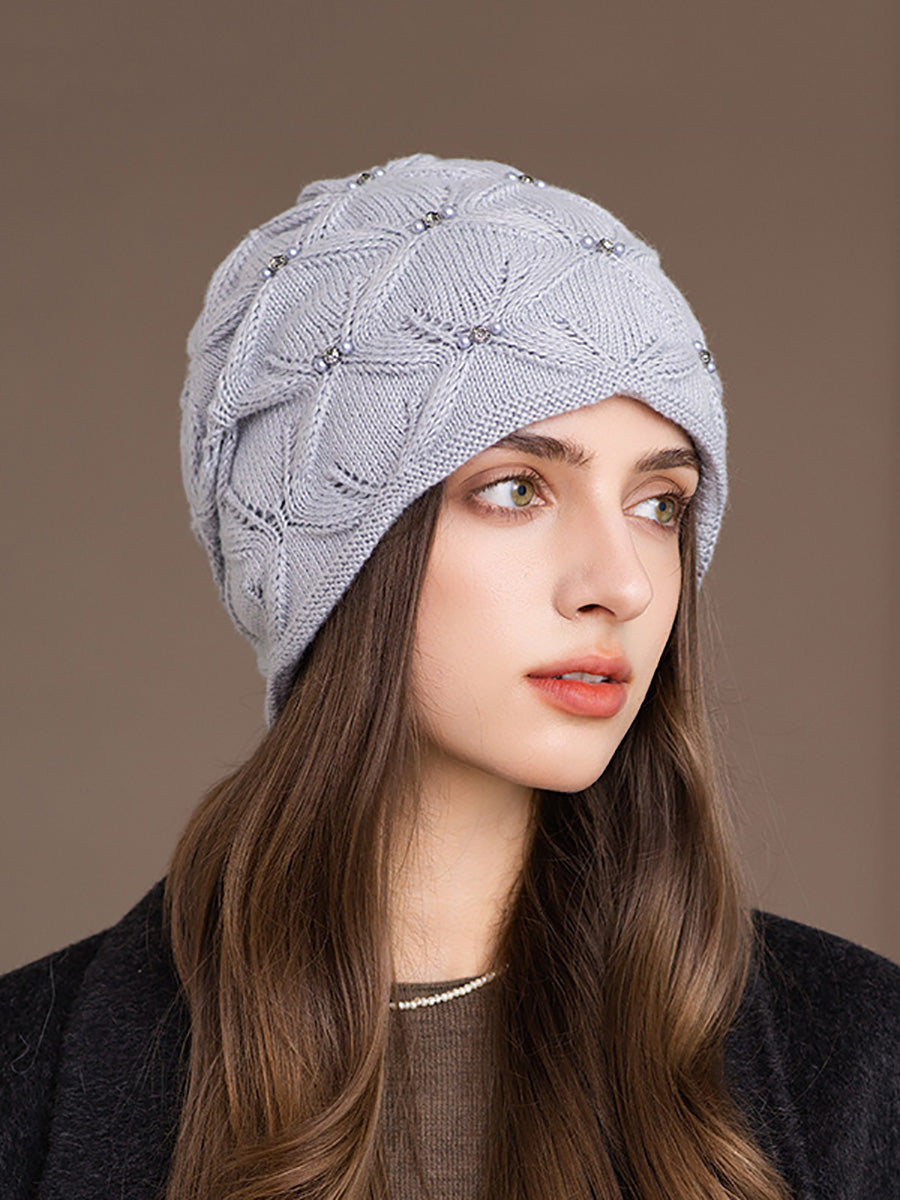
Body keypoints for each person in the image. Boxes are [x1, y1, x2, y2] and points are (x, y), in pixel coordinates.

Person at [1, 152, 897, 1200]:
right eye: (517, 488)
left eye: (660, 504)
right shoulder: (25, 1082)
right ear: (335, 556)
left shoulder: (862, 1058)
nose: (623, 584)